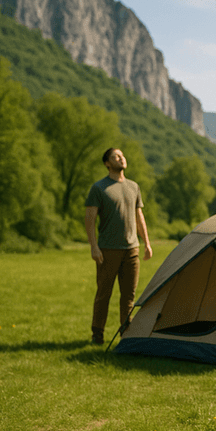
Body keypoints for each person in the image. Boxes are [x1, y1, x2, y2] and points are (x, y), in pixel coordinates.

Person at [84, 148, 152, 345]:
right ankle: (97, 334)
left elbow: (139, 216)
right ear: (107, 163)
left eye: (122, 155)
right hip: (107, 250)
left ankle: (126, 334)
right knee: (104, 293)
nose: (121, 158)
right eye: (116, 156)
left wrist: (146, 242)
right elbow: (90, 218)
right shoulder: (99, 188)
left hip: (132, 250)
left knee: (129, 295)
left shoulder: (133, 186)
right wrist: (94, 246)